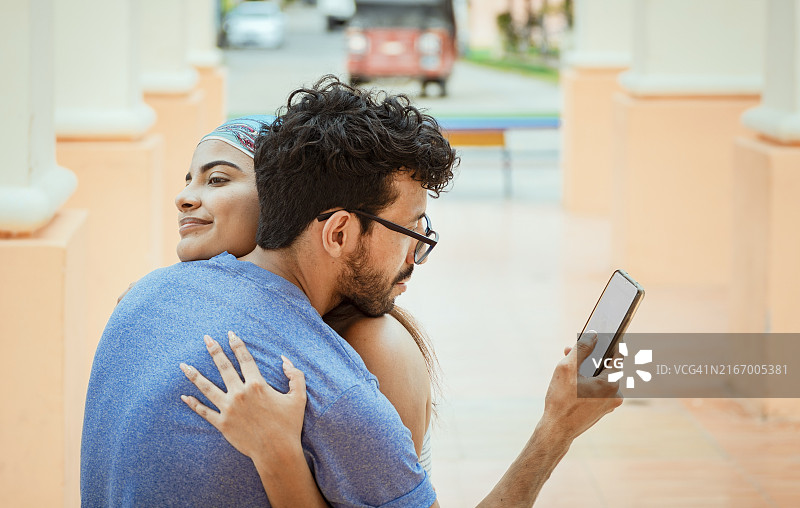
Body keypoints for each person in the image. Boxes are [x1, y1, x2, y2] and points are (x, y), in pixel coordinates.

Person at [82, 76, 621, 507]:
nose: (416, 255)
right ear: (338, 232)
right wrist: (557, 428)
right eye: (411, 231)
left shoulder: (142, 298)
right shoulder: (328, 385)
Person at [173, 115, 438, 467]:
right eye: (190, 179)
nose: (184, 197)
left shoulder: (372, 343)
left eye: (218, 179)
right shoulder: (188, 299)